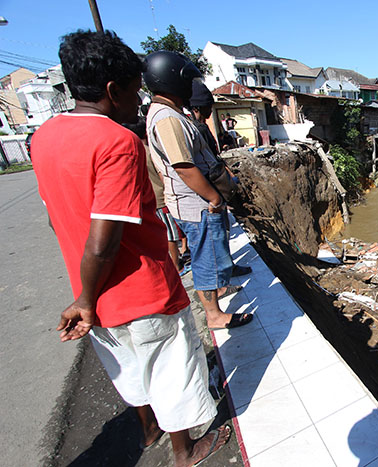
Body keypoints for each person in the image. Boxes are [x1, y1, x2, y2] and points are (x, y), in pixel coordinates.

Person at [31, 31, 230, 467]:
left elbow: (56, 218)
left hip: (95, 293)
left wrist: (86, 295)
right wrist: (84, 298)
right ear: (112, 90)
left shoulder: (43, 137)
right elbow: (105, 239)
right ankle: (186, 450)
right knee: (169, 368)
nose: (138, 99)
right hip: (140, 287)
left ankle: (148, 432)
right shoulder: (117, 141)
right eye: (134, 89)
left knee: (131, 369)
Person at [144, 51, 253, 330]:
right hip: (196, 205)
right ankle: (215, 315)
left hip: (198, 202)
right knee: (206, 259)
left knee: (212, 254)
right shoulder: (167, 118)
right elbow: (184, 166)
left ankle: (218, 290)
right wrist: (214, 197)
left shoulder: (169, 113)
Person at [123, 117, 187, 275]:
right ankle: (175, 265)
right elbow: (162, 176)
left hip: (148, 200)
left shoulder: (132, 153)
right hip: (160, 199)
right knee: (171, 235)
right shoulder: (150, 152)